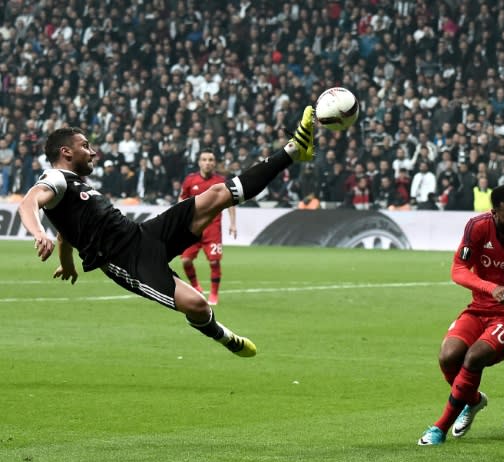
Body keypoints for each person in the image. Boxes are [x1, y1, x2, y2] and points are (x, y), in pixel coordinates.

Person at [18, 106, 316, 358]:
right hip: (127, 261)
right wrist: (37, 233)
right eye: (85, 146)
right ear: (66, 152)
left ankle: (293, 150)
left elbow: (66, 230)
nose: (93, 152)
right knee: (198, 306)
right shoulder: (55, 178)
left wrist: (67, 261)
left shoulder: (73, 185)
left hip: (143, 234)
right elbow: (29, 203)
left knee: (215, 194)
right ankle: (221, 335)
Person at [418, 184, 504, 446]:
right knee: (448, 356)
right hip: (480, 308)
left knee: (474, 357)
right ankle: (473, 400)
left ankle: (439, 428)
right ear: (495, 213)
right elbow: (458, 269)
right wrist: (491, 288)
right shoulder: (477, 227)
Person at [179, 148, 237, 306]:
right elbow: (181, 200)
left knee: (213, 262)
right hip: (193, 228)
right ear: (199, 162)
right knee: (185, 261)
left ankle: (214, 294)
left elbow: (231, 202)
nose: (207, 163)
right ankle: (196, 286)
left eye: (210, 160)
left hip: (212, 228)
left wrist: (232, 223)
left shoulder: (221, 181)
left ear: (214, 163)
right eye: (204, 159)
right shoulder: (190, 180)